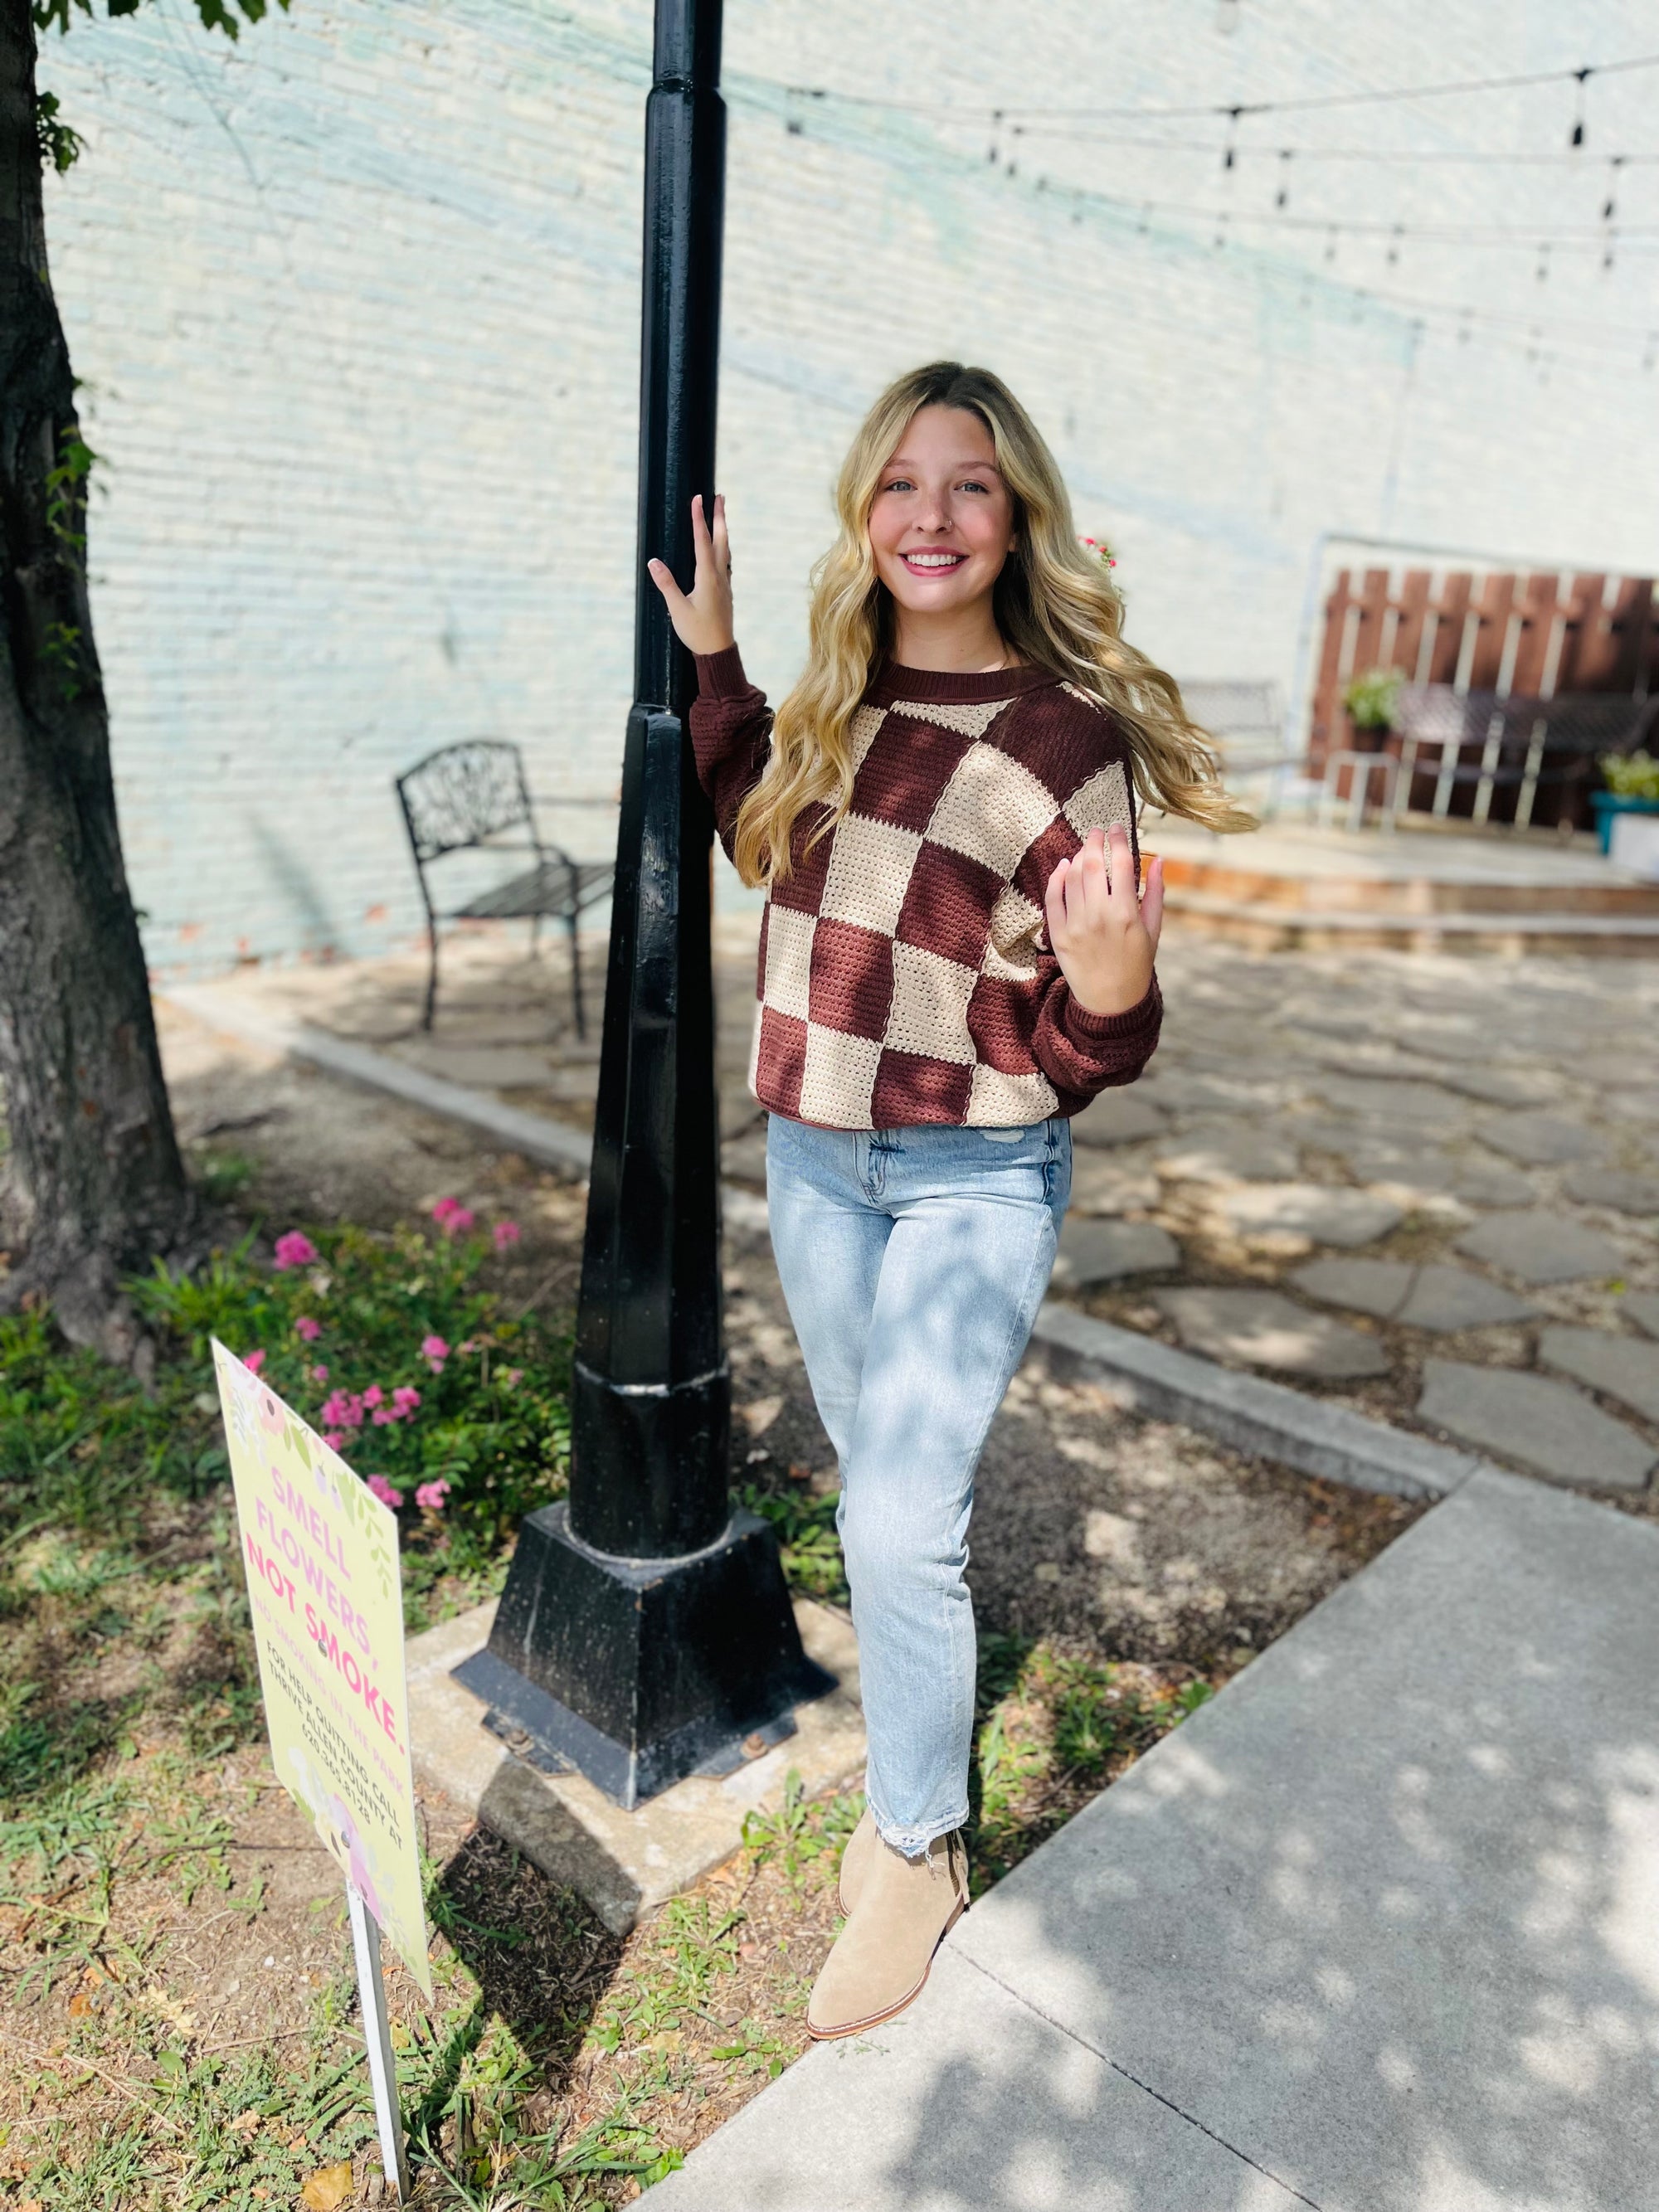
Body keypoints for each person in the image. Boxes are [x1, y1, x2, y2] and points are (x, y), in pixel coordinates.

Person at [649, 360, 1247, 2041]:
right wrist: (715, 663)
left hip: (978, 1163)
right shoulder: (835, 704)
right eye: (900, 482)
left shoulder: (1066, 743)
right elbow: (761, 827)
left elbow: (1078, 1042)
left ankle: (915, 1841)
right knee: (882, 1498)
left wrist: (1116, 987)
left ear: (1016, 517)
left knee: (898, 1522)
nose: (931, 512)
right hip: (816, 1159)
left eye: (968, 484)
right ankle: (912, 1788)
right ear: (865, 511)